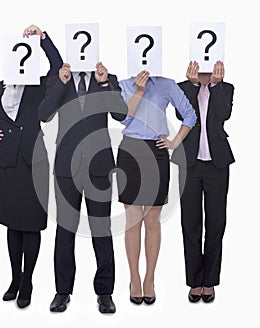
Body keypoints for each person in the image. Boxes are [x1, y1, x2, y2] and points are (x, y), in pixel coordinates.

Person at [0, 24, 63, 309]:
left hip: (33, 163)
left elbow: (58, 67)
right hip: (5, 164)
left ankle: (28, 282)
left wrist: (43, 38)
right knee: (12, 224)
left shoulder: (38, 87)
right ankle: (14, 278)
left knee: (31, 225)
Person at [37, 62, 128, 313]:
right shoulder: (58, 79)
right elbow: (43, 114)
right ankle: (62, 292)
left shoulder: (108, 79)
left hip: (99, 166)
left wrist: (104, 82)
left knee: (102, 230)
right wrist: (62, 83)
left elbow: (121, 114)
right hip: (67, 168)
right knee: (65, 231)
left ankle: (105, 293)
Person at [116, 70, 197, 305]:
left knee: (152, 220)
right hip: (130, 150)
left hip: (157, 151)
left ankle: (150, 278)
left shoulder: (167, 85)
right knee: (133, 220)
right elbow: (122, 119)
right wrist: (139, 91)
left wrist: (174, 142)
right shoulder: (123, 84)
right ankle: (134, 278)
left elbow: (190, 115)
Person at [171, 60, 235, 303]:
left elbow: (223, 115)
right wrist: (192, 85)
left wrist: (215, 86)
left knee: (216, 222)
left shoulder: (226, 88)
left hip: (217, 164)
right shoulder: (183, 87)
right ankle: (194, 281)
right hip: (190, 163)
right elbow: (182, 115)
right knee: (190, 222)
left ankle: (209, 281)